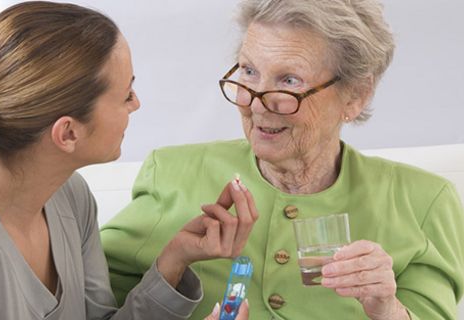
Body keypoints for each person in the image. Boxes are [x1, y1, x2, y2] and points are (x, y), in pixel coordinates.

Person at [0, 2, 258, 319]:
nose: (136, 105)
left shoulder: (68, 195)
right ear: (67, 133)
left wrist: (174, 261)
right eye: (125, 95)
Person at [100, 0, 464, 319]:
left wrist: (389, 312)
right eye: (249, 71)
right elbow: (97, 309)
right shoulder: (173, 175)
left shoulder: (424, 203)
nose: (257, 102)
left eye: (289, 80)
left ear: (356, 94)